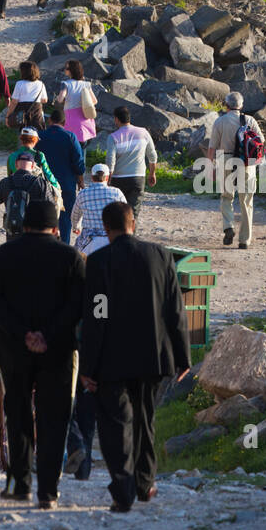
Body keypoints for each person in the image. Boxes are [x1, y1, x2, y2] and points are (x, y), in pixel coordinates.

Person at [80, 202, 191, 513]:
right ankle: (145, 484)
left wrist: (88, 366)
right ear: (133, 223)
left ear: (106, 227)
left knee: (116, 425)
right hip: (153, 356)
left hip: (111, 359)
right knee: (145, 418)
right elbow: (175, 310)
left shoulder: (99, 262)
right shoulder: (160, 256)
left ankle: (122, 490)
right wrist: (183, 358)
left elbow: (95, 316)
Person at [0, 199, 86, 506]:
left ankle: (21, 485)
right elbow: (80, 304)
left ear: (24, 225)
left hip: (15, 350)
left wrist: (22, 331)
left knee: (19, 416)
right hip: (58, 351)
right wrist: (47, 334)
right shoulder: (71, 257)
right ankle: (48, 492)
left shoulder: (5, 253)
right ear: (56, 229)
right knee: (54, 419)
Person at [207, 92, 264, 249]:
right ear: (241, 106)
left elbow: (212, 147)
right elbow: (261, 141)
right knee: (246, 201)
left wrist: (210, 167)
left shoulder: (220, 122)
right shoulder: (250, 120)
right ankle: (244, 240)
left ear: (226, 105)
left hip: (226, 160)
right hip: (246, 163)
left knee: (226, 197)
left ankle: (228, 227)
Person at [37, 108, 86, 244]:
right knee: (65, 219)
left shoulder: (40, 136)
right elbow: (78, 162)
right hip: (66, 185)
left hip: (43, 185)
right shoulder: (70, 137)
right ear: (64, 122)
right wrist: (80, 181)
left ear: (50, 120)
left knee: (44, 217)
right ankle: (63, 247)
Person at [104, 106, 158, 218]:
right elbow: (152, 155)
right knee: (133, 212)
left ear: (116, 119)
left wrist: (108, 179)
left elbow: (110, 160)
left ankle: (120, 234)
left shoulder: (113, 137)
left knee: (119, 212)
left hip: (119, 179)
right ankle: (131, 233)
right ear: (129, 118)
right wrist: (152, 173)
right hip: (138, 178)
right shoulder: (143, 132)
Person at [0, 154, 53, 240]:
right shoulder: (40, 182)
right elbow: (50, 206)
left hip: (13, 228)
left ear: (16, 164)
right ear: (33, 165)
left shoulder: (5, 182)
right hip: (34, 231)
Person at [71, 164, 128, 253]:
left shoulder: (83, 194)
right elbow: (125, 213)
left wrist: (76, 227)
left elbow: (75, 215)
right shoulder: (117, 192)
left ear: (92, 177)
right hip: (110, 236)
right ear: (107, 177)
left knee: (76, 258)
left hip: (89, 240)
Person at [5, 127, 61, 199]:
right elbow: (48, 174)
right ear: (35, 140)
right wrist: (56, 186)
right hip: (35, 192)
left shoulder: (12, 156)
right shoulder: (39, 155)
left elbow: (9, 176)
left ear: (21, 139)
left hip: (17, 192)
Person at [55, 59, 97, 147]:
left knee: (71, 147)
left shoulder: (66, 84)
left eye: (66, 68)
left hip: (72, 120)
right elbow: (94, 101)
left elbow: (60, 99)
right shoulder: (86, 84)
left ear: (71, 71)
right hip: (86, 118)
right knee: (82, 149)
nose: (64, 70)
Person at [5, 60, 48, 131]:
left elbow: (14, 102)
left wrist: (8, 116)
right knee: (37, 134)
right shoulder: (41, 84)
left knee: (23, 135)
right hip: (36, 112)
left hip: (22, 114)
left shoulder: (19, 84)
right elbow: (45, 100)